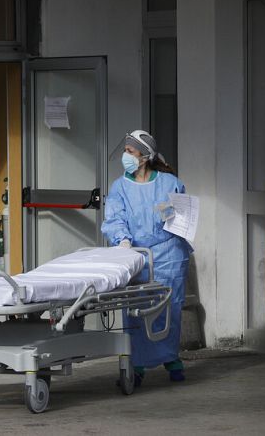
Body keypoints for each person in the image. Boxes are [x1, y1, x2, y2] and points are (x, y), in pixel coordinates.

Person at [101, 129, 192, 386]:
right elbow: (115, 218)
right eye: (126, 151)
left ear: (144, 156)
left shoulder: (169, 182)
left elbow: (184, 215)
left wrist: (177, 218)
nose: (125, 156)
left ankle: (171, 358)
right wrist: (124, 240)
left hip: (170, 253)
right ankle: (137, 364)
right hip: (137, 255)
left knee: (170, 308)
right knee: (137, 311)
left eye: (130, 151)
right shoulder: (120, 187)